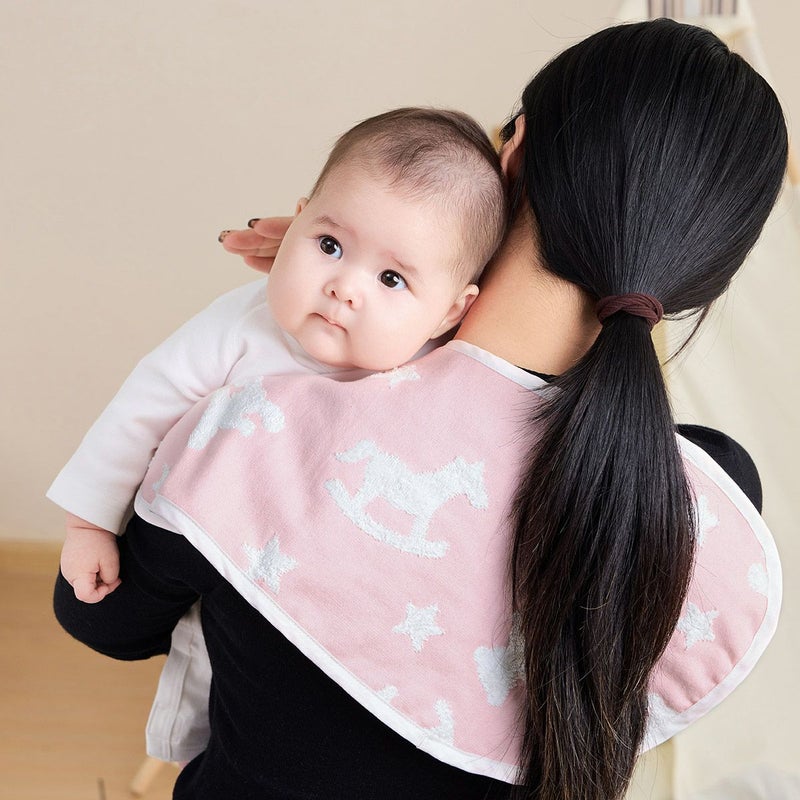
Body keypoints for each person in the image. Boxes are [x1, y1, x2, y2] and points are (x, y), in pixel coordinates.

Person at [53, 19, 786, 800]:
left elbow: (101, 617)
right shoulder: (706, 502)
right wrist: (379, 271)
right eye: (329, 243)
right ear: (703, 282)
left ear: (514, 153)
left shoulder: (261, 427)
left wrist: (314, 291)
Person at [48, 106, 506, 761]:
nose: (344, 287)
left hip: (341, 611)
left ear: (450, 312)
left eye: (392, 278)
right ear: (296, 222)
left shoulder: (436, 375)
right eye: (330, 246)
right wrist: (88, 523)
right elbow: (139, 411)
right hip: (222, 564)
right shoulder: (241, 326)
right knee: (204, 687)